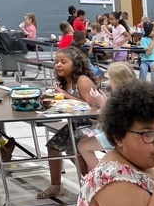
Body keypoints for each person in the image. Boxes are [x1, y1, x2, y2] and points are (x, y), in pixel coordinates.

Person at [36, 48, 104, 198]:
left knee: (75, 149)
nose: (58, 65)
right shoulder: (64, 82)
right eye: (56, 62)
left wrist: (64, 96)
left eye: (63, 62)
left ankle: (91, 188)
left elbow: (91, 108)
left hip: (93, 124)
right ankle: (56, 186)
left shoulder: (82, 80)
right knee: (53, 147)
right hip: (75, 123)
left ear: (75, 64)